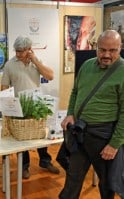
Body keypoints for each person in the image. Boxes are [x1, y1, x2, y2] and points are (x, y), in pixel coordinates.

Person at [59, 30, 124, 199]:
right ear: (96, 48)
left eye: (112, 50)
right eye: (102, 50)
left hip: (104, 136)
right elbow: (75, 92)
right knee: (73, 176)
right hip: (79, 132)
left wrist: (115, 144)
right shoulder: (87, 65)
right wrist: (70, 114)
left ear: (120, 48)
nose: (106, 55)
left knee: (106, 183)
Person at [1, 35, 60, 179]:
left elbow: (50, 76)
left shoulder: (37, 62)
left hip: (36, 105)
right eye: (17, 51)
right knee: (22, 137)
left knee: (40, 134)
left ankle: (45, 161)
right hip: (18, 106)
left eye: (21, 51)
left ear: (29, 50)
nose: (18, 54)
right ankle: (24, 166)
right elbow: (4, 87)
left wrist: (35, 60)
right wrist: (6, 106)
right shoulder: (10, 65)